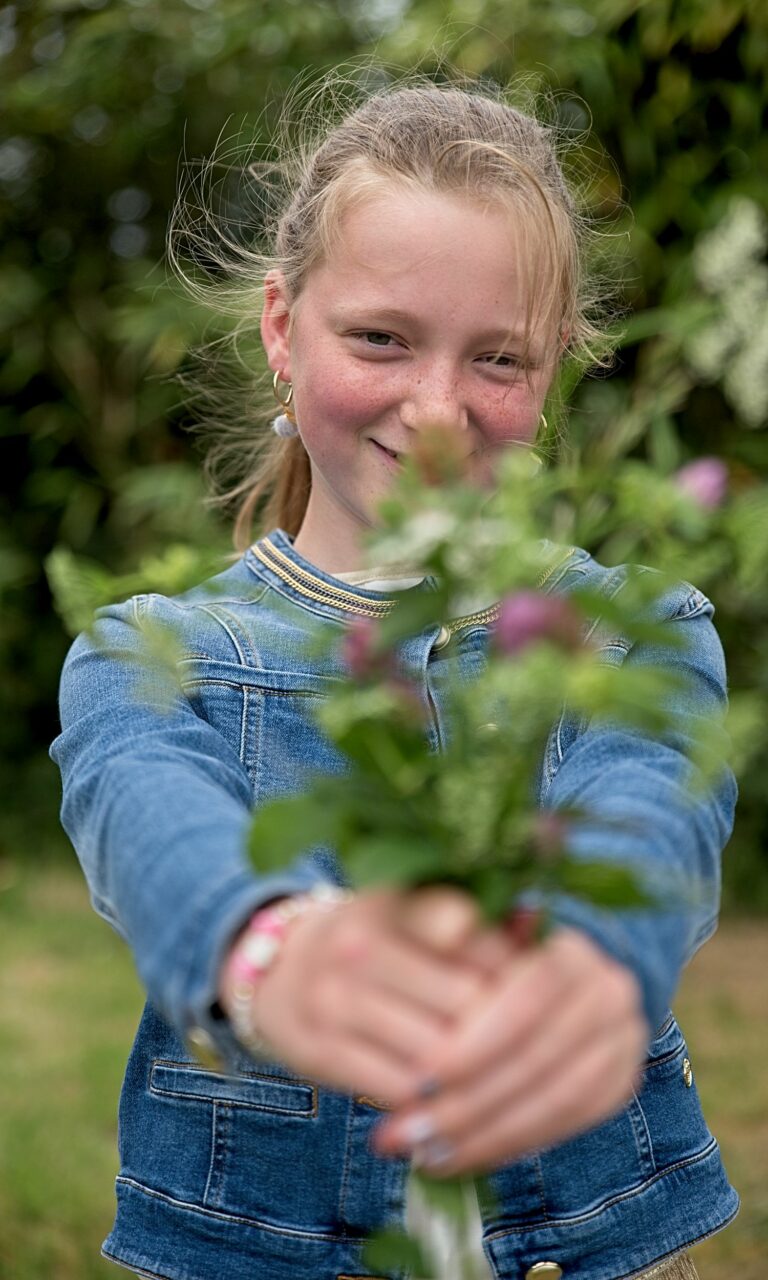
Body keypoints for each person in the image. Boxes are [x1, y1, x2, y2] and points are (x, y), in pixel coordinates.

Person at [51, 77, 738, 1280]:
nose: (436, 411)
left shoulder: (640, 630)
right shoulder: (150, 650)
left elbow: (654, 815)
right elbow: (142, 807)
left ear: (552, 375)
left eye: (498, 359)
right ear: (281, 327)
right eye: (381, 338)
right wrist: (264, 950)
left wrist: (596, 955)